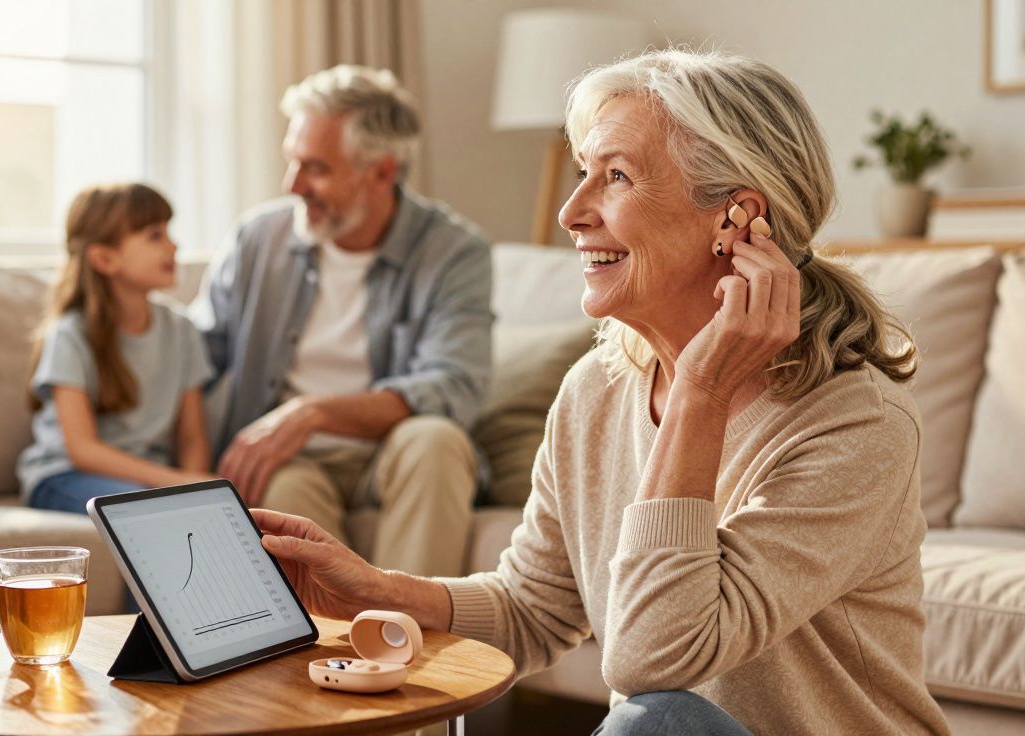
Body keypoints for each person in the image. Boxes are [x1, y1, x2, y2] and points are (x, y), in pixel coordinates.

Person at [250, 49, 952, 736]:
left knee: (659, 719)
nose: (572, 212)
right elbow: (535, 608)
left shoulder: (855, 424)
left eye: (614, 177)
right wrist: (376, 589)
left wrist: (699, 394)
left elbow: (655, 661)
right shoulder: (597, 389)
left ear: (735, 218)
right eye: (584, 172)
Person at [192, 66, 493, 578]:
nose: (293, 185)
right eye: (292, 161)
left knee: (435, 441)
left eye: (316, 168)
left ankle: (408, 644)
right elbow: (196, 358)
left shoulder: (453, 251)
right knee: (278, 488)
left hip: (392, 456)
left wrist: (311, 412)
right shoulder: (256, 241)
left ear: (381, 172)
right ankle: (322, 654)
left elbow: (454, 385)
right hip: (294, 461)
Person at [19, 182, 215, 513]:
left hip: (148, 483)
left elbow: (192, 437)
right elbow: (82, 450)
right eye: (155, 236)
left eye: (169, 232)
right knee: (141, 511)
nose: (173, 245)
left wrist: (195, 487)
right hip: (65, 476)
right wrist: (171, 481)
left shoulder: (182, 330)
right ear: (104, 258)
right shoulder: (70, 334)